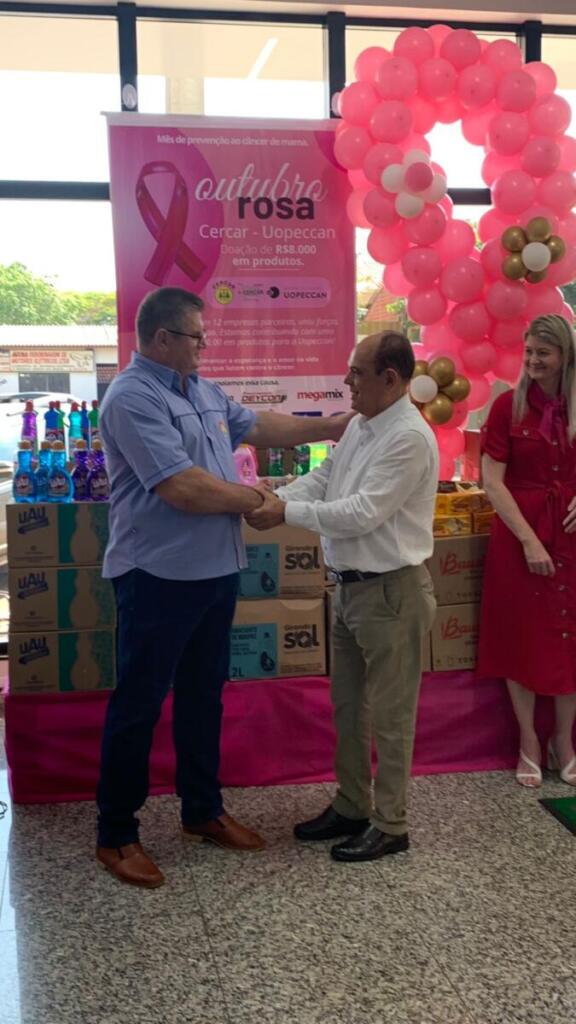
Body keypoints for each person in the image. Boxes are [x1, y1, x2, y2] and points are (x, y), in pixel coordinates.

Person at [96, 286, 352, 888]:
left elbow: (259, 425)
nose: (205, 345)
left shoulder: (202, 391)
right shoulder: (132, 397)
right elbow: (181, 487)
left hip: (214, 571)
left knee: (202, 696)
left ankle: (202, 810)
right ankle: (116, 832)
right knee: (139, 704)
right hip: (156, 574)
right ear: (163, 339)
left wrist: (336, 424)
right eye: (197, 336)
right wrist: (260, 501)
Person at [246, 331, 438, 863]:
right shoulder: (360, 424)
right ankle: (353, 804)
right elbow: (326, 479)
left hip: (392, 594)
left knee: (392, 718)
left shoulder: (409, 437)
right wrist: (275, 497)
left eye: (356, 372)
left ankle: (391, 824)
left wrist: (284, 513)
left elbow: (361, 513)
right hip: (350, 590)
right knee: (349, 708)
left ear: (390, 379)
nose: (346, 381)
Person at [478, 314, 576, 789]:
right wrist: (530, 540)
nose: (534, 361)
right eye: (529, 351)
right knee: (519, 637)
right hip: (520, 537)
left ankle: (564, 741)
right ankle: (528, 741)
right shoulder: (506, 407)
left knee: (569, 636)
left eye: (544, 353)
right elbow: (492, 481)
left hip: (571, 537)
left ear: (565, 356)